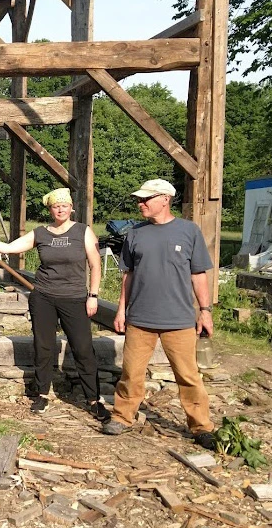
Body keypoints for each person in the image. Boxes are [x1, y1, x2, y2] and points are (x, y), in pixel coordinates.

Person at [0, 187, 110, 420]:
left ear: (71, 208)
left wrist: (93, 295)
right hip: (43, 296)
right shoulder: (41, 233)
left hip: (74, 298)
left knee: (83, 348)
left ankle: (93, 399)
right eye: (56, 206)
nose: (61, 209)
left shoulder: (83, 232)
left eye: (65, 205)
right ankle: (42, 393)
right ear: (50, 209)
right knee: (43, 346)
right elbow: (11, 247)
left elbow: (95, 265)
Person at [102, 179, 215, 448]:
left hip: (179, 320)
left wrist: (205, 311)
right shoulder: (135, 234)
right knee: (131, 372)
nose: (140, 203)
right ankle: (122, 417)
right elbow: (127, 276)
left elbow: (199, 275)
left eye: (146, 199)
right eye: (139, 199)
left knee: (188, 375)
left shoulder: (189, 232)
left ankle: (201, 426)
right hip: (140, 318)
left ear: (165, 199)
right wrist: (121, 310)